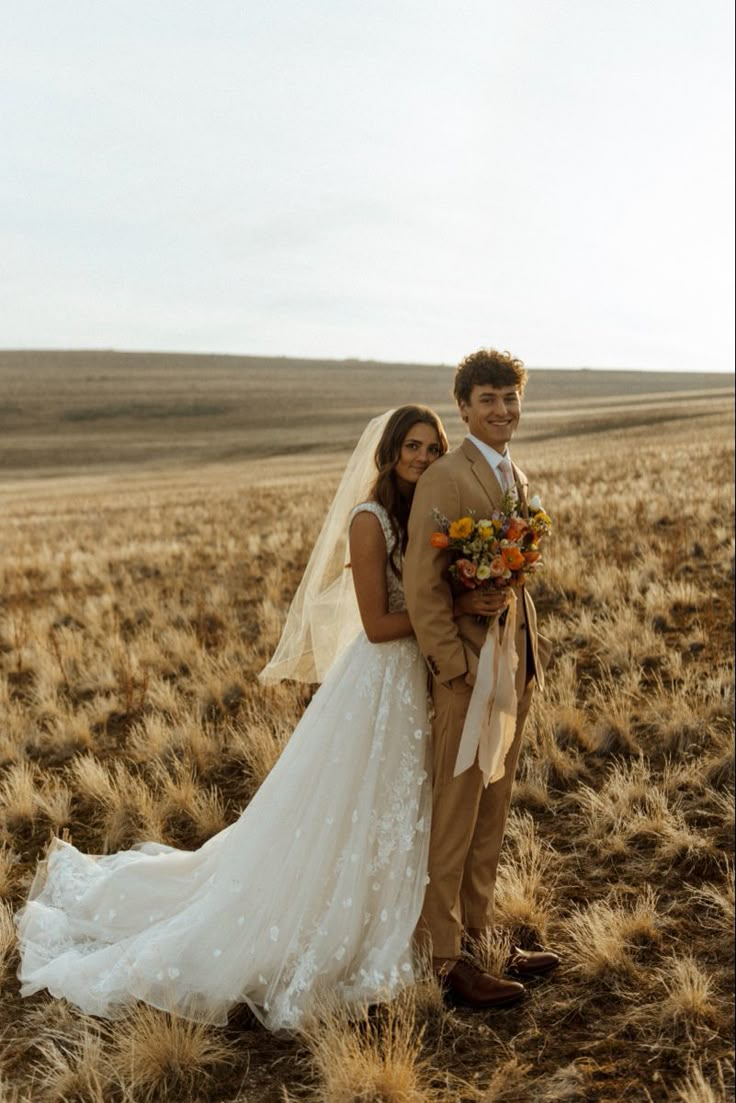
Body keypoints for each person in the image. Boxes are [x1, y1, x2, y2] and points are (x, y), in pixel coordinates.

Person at [15, 406, 448, 1032]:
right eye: (413, 446)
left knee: (400, 802)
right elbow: (379, 626)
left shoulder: (422, 514)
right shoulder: (370, 520)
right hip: (380, 682)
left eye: (434, 448)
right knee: (354, 804)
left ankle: (407, 922)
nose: (424, 457)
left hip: (416, 681)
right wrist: (445, 610)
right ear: (389, 452)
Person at [404, 348, 558, 1009]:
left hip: (514, 670)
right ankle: (443, 959)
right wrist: (454, 668)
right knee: (455, 815)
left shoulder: (515, 474)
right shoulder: (446, 477)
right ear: (463, 407)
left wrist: (527, 660)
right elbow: (421, 586)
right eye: (489, 399)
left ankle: (480, 935)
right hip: (466, 675)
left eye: (511, 398)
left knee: (493, 810)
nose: (503, 410)